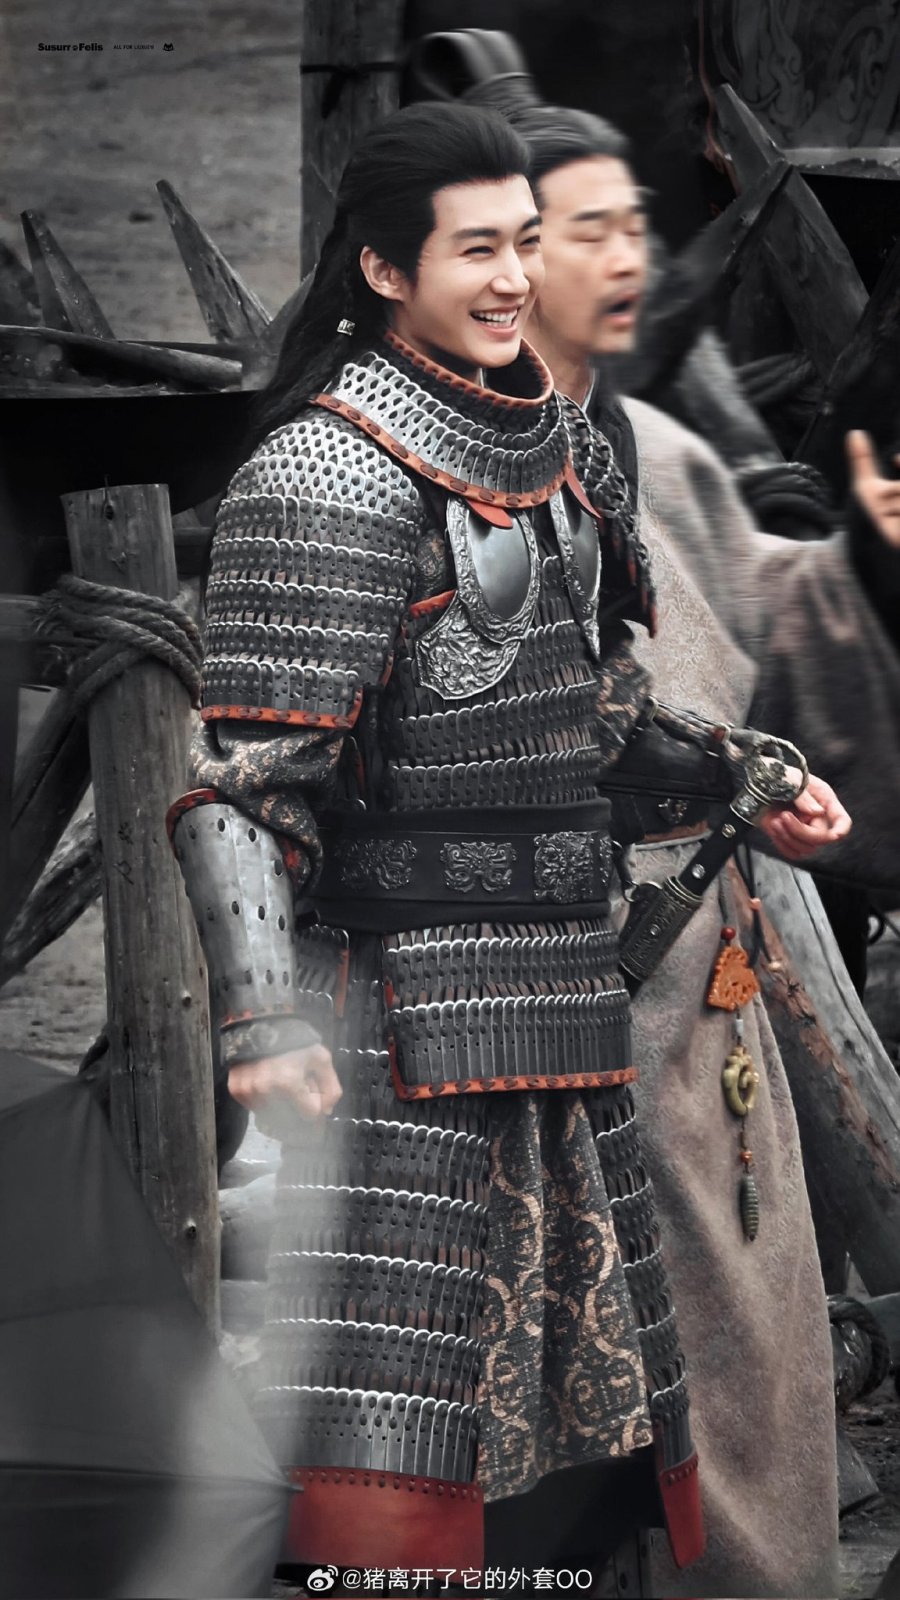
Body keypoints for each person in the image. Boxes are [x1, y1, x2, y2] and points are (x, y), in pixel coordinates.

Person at [169, 102, 848, 1585]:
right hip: (403, 1027)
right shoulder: (327, 474)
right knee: (400, 1465)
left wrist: (741, 775)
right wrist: (261, 1016)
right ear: (382, 269)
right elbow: (241, 788)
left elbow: (588, 719)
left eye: (524, 243)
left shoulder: (562, 453)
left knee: (587, 1454)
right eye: (474, 248)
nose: (511, 277)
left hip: (563, 1005)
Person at [407, 35, 900, 1597]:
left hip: (706, 1027)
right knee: (536, 1443)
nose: (630, 257)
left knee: (735, 1412)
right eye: (590, 230)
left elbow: (774, 642)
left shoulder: (657, 451)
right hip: (520, 1030)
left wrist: (867, 559)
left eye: (636, 225)